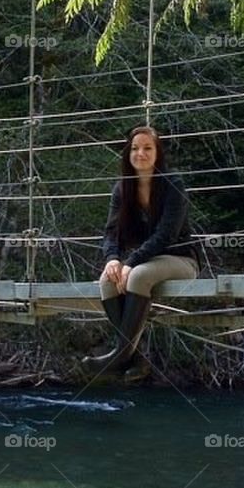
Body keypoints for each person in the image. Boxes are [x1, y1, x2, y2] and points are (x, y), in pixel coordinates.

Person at [82, 125, 197, 374]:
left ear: (158, 153)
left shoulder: (173, 185)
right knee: (107, 280)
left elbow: (166, 235)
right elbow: (111, 232)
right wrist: (112, 259)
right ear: (127, 154)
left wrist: (131, 261)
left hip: (180, 260)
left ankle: (121, 355)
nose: (140, 153)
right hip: (143, 261)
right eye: (134, 148)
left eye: (147, 148)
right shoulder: (123, 189)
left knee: (138, 275)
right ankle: (134, 357)